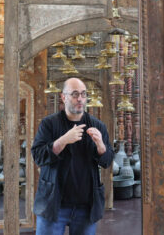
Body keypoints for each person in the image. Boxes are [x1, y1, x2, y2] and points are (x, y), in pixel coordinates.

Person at [31, 78, 113, 235]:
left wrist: (101, 146)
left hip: (86, 206)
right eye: (75, 94)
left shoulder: (98, 126)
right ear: (63, 97)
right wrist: (62, 141)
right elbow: (38, 156)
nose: (80, 99)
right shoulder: (49, 124)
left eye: (83, 94)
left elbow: (107, 161)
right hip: (54, 203)